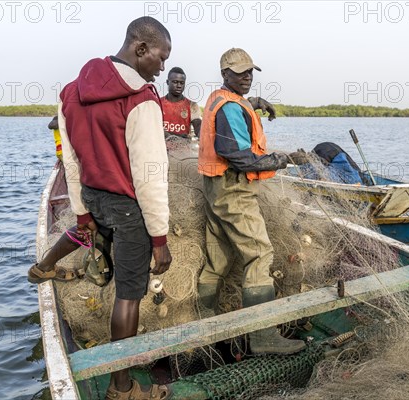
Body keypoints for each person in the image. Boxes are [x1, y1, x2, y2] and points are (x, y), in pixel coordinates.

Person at [56, 16, 172, 400]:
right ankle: (122, 387)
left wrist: (82, 213)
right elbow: (149, 177)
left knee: (114, 279)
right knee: (129, 295)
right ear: (141, 49)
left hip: (94, 199)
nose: (162, 67)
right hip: (127, 207)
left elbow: (70, 161)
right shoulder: (141, 100)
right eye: (161, 56)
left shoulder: (70, 92)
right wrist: (160, 238)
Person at [196, 48, 306, 355]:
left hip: (216, 190)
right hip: (234, 192)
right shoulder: (229, 108)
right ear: (225, 74)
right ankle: (262, 336)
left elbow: (236, 109)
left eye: (250, 72)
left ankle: (203, 317)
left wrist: (256, 103)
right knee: (259, 254)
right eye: (240, 72)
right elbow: (241, 157)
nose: (247, 77)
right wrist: (282, 159)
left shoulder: (220, 97)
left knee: (218, 258)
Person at [288, 142, 366, 184]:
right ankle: (311, 161)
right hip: (330, 151)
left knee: (317, 171)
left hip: (329, 151)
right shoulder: (353, 176)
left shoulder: (351, 178)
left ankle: (311, 161)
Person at [161, 67, 202, 139]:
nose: (179, 86)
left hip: (183, 149)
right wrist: (175, 136)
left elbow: (197, 123)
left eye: (182, 83)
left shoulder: (191, 105)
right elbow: (152, 127)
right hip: (161, 149)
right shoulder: (158, 103)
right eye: (175, 82)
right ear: (168, 82)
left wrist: (202, 132)